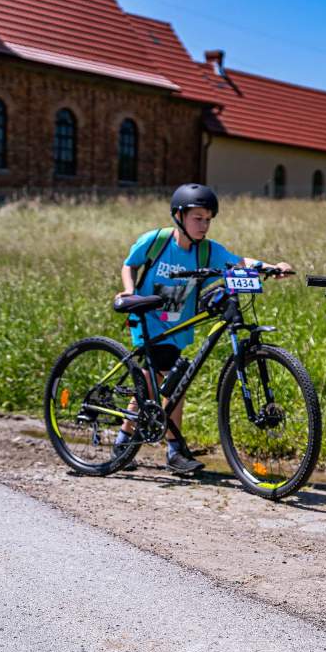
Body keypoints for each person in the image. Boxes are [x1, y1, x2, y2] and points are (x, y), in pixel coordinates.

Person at [113, 183, 293, 475]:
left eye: (208, 219)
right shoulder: (156, 241)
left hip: (177, 327)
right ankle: (172, 450)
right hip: (147, 320)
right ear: (179, 217)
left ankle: (125, 443)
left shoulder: (207, 251)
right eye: (198, 218)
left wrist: (271, 267)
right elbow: (129, 264)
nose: (204, 225)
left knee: (161, 384)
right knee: (162, 381)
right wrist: (129, 291)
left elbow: (238, 262)